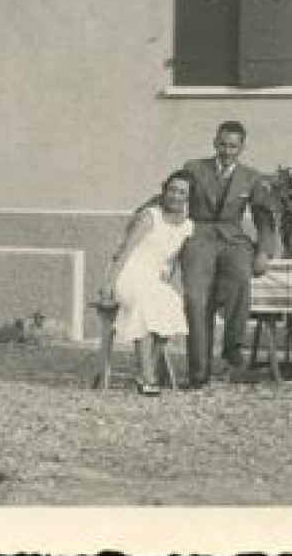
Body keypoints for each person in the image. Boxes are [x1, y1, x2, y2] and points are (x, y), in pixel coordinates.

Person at [178, 120, 279, 388]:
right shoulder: (194, 168)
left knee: (241, 282)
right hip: (198, 238)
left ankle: (233, 349)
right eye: (222, 144)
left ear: (242, 148)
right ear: (214, 143)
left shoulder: (252, 177)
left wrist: (264, 252)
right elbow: (172, 195)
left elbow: (264, 218)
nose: (227, 150)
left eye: (233, 146)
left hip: (233, 239)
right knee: (196, 301)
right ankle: (199, 371)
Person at [100, 170, 193, 395]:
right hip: (128, 275)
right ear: (164, 191)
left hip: (152, 279)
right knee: (145, 303)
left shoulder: (188, 226)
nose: (175, 196)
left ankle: (144, 371)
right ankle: (148, 376)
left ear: (188, 197)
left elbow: (171, 261)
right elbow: (124, 251)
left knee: (171, 303)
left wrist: (166, 282)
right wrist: (109, 283)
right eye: (172, 190)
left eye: (182, 192)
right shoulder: (150, 217)